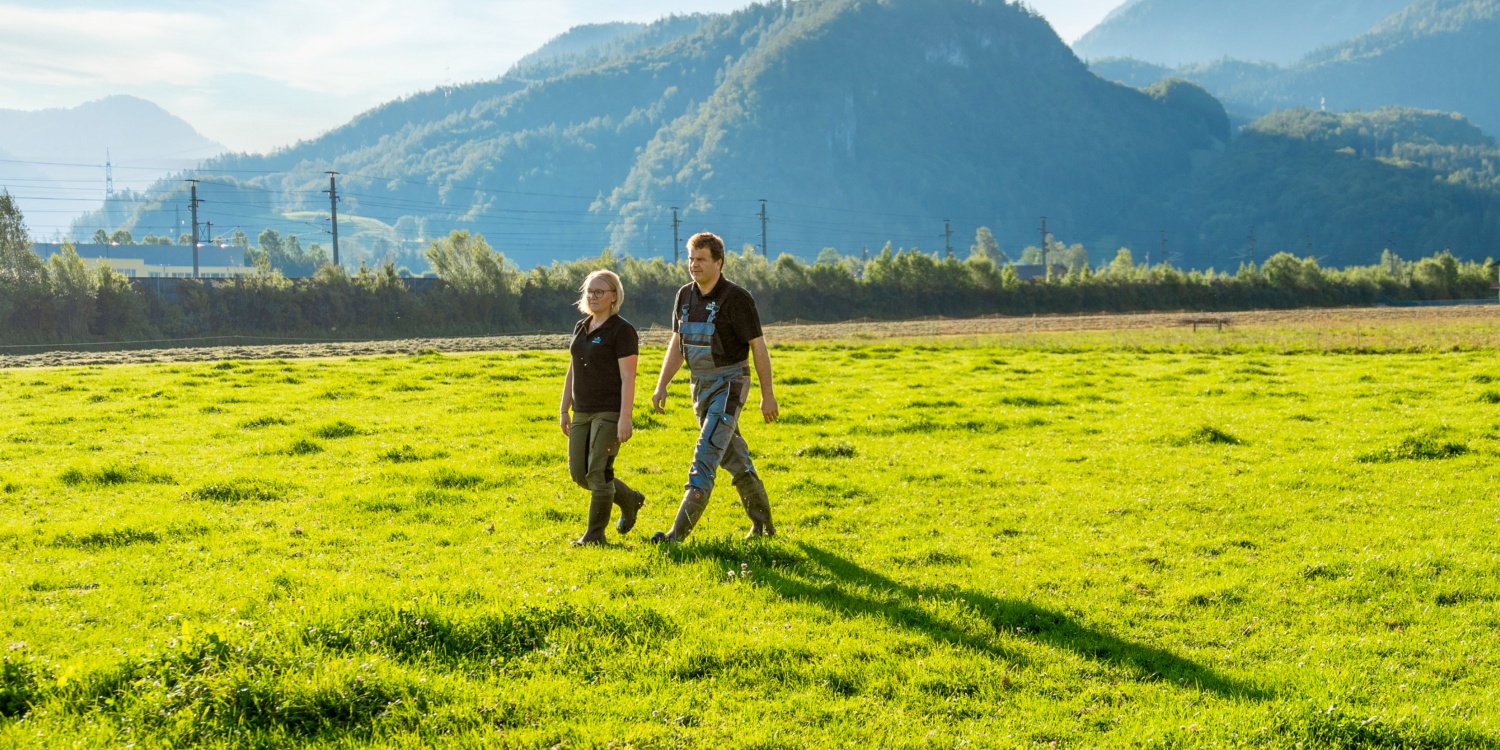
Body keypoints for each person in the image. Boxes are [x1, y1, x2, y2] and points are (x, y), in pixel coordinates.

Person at [649, 232, 778, 543]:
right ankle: (764, 527)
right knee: (733, 455)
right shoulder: (683, 296)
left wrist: (767, 395)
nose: (694, 265)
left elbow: (758, 347)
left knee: (705, 455)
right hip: (699, 385)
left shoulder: (737, 299)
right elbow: (678, 344)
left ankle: (675, 537)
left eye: (701, 259)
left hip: (731, 383)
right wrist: (661, 384)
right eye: (691, 259)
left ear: (718, 262)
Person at [559, 269, 646, 546]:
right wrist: (564, 409)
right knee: (579, 473)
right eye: (589, 292)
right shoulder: (581, 327)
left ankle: (594, 536)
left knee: (598, 472)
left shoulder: (623, 331)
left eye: (599, 292)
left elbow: (627, 377)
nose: (593, 297)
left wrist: (625, 417)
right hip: (582, 410)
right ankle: (629, 499)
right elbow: (572, 369)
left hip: (609, 411)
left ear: (614, 297)